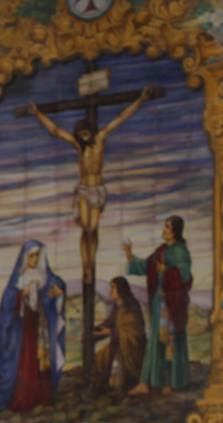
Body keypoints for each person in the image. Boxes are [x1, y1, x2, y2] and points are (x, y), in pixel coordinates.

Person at [26, 87, 154, 281]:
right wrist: (38, 114)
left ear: (91, 132)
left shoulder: (100, 139)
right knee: (86, 227)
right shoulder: (79, 146)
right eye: (81, 134)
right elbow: (55, 130)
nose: (84, 137)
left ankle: (90, 262)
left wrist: (140, 100)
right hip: (84, 190)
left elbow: (120, 118)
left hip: (98, 190)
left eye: (86, 133)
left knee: (93, 228)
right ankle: (86, 265)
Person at [0, 240, 67, 416]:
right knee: (26, 360)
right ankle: (24, 399)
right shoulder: (18, 279)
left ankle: (42, 398)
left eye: (37, 255)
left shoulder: (46, 275)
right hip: (24, 327)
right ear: (25, 257)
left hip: (41, 326)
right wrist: (22, 294)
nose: (34, 259)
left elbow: (56, 290)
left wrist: (58, 295)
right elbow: (7, 305)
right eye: (31, 255)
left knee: (41, 360)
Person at [124, 215, 193, 393]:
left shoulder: (181, 251)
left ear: (175, 231)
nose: (164, 230)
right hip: (159, 302)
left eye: (168, 228)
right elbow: (147, 266)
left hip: (173, 303)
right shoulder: (161, 250)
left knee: (169, 340)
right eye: (165, 227)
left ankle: (171, 382)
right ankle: (146, 383)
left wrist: (168, 271)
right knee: (156, 340)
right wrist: (130, 256)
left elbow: (185, 276)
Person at [92, 276, 146, 395]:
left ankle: (119, 386)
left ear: (121, 289)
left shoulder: (131, 305)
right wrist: (96, 329)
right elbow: (110, 322)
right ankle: (103, 386)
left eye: (113, 288)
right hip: (118, 343)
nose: (110, 291)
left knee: (111, 360)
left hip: (131, 348)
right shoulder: (118, 305)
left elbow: (133, 331)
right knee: (99, 357)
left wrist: (110, 332)